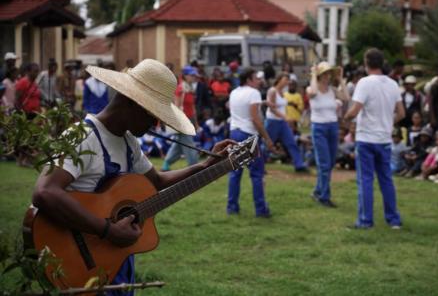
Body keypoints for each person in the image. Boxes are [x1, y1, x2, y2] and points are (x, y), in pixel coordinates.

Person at [31, 59, 233, 294]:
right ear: (132, 102)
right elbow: (45, 192)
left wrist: (206, 165)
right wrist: (107, 230)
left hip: (115, 256)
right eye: (153, 114)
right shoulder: (83, 136)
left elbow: (156, 182)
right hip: (80, 258)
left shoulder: (128, 142)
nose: (156, 123)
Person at [345, 48, 405, 229]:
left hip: (366, 139)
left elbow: (354, 110)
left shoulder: (364, 82)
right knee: (386, 179)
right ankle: (393, 220)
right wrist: (387, 122)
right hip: (385, 140)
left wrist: (346, 117)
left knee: (365, 180)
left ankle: (365, 221)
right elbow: (401, 113)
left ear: (366, 63)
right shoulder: (393, 84)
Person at [226, 67, 275, 217]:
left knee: (235, 173)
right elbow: (255, 119)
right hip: (248, 134)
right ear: (249, 80)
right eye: (256, 78)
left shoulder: (234, 92)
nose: (259, 81)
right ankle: (261, 210)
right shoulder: (253, 93)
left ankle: (232, 207)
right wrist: (267, 138)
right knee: (256, 174)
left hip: (234, 133)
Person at [306, 62, 350, 207]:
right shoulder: (312, 88)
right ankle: (324, 197)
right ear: (319, 75)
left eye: (329, 73)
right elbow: (312, 93)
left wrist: (341, 79)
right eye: (324, 74)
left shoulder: (332, 90)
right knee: (324, 164)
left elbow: (346, 97)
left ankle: (318, 190)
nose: (327, 76)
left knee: (330, 163)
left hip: (332, 126)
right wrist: (313, 73)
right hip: (319, 127)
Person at [265, 74, 309, 173]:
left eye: (288, 80)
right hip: (272, 121)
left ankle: (299, 165)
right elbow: (271, 109)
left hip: (282, 122)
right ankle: (258, 163)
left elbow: (281, 107)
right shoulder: (272, 91)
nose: (287, 82)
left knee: (291, 142)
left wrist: (285, 117)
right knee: (268, 144)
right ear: (279, 80)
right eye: (285, 79)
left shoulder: (283, 92)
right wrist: (285, 117)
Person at [161, 65, 199, 171]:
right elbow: (176, 108)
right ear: (185, 76)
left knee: (178, 146)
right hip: (182, 121)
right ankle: (194, 167)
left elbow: (192, 107)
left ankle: (166, 164)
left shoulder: (190, 89)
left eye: (194, 75)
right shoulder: (180, 89)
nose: (194, 77)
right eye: (191, 75)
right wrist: (180, 123)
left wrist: (195, 123)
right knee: (189, 145)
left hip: (189, 121)